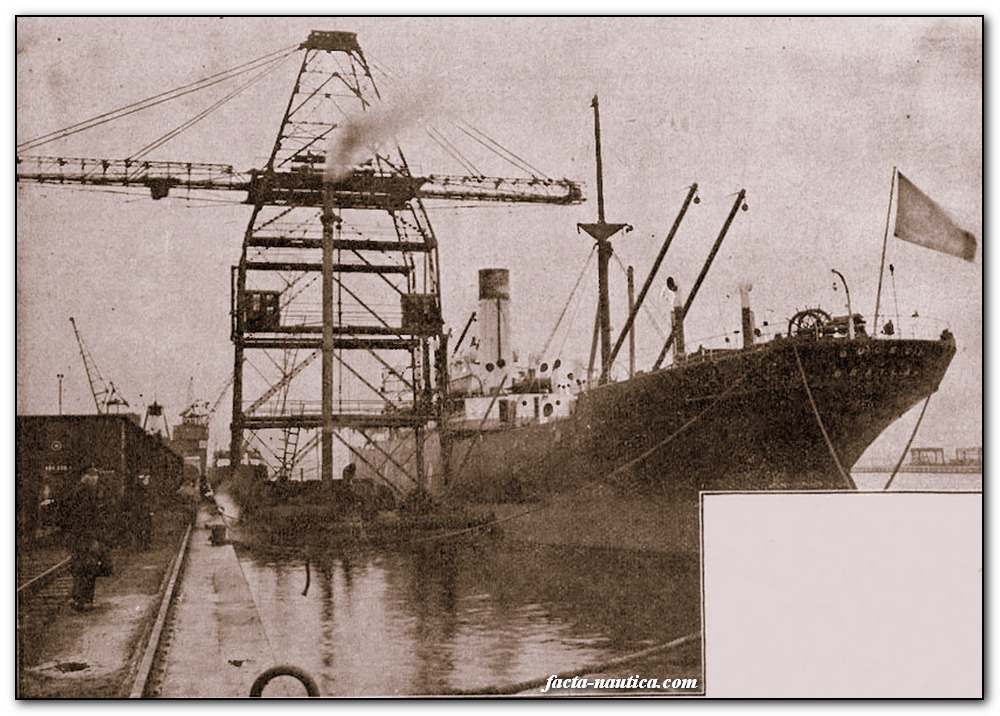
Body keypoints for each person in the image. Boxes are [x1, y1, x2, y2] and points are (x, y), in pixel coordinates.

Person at [57, 467, 111, 611]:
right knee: (89, 568)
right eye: (93, 476)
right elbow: (89, 517)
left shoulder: (74, 491)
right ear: (86, 476)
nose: (95, 479)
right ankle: (85, 601)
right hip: (85, 536)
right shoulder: (86, 493)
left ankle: (77, 599)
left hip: (75, 536)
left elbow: (63, 515)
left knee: (79, 568)